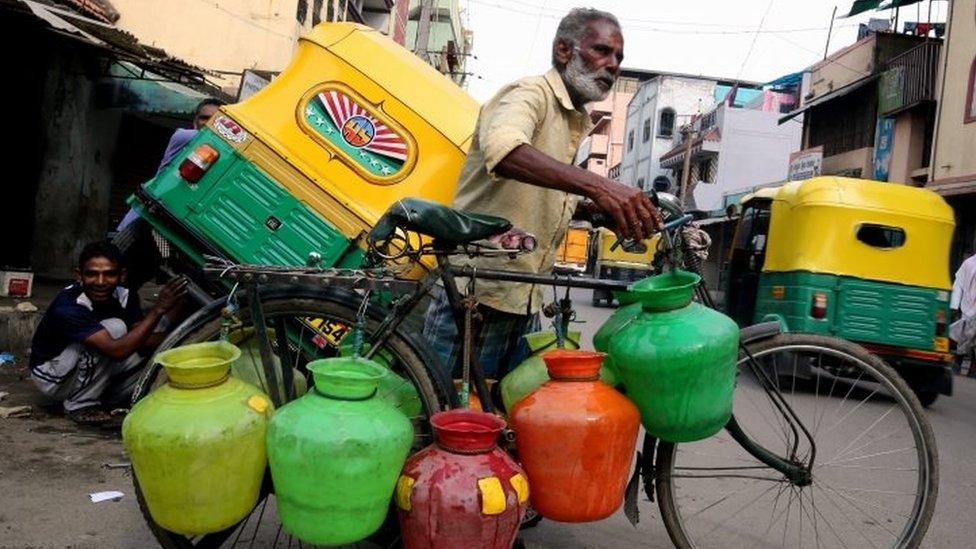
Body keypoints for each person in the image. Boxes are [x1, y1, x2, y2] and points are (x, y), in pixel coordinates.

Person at [422, 8, 662, 381]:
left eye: (618, 58)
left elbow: (544, 193)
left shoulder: (572, 119)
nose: (613, 65)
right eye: (602, 51)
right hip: (477, 295)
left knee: (507, 421)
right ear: (564, 51)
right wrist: (602, 186)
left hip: (525, 299)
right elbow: (505, 152)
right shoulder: (529, 94)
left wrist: (594, 208)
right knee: (447, 418)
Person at [30, 241, 188, 426]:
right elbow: (117, 351)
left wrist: (185, 340)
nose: (100, 282)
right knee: (116, 328)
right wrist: (158, 309)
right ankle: (80, 405)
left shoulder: (124, 296)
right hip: (53, 376)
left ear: (122, 275)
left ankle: (104, 397)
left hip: (88, 368)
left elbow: (141, 339)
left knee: (152, 361)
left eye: (109, 274)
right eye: (92, 274)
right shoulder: (69, 306)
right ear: (79, 275)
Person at [114, 98, 225, 290]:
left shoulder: (220, 158)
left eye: (215, 119)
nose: (208, 123)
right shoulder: (183, 136)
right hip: (145, 219)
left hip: (174, 228)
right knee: (115, 273)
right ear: (195, 121)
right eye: (204, 118)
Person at [950, 251, 976, 375]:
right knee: (963, 338)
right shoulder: (969, 263)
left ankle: (973, 369)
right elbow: (958, 283)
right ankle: (957, 364)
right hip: (968, 307)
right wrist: (955, 305)